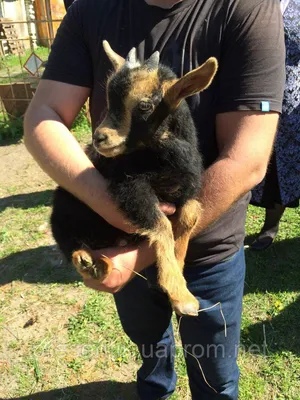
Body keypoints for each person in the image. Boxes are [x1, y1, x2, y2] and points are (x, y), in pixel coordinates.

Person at [24, 1, 285, 399]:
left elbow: (247, 160)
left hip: (208, 248)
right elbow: (43, 114)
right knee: (150, 351)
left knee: (214, 372)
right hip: (122, 227)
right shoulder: (89, 10)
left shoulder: (246, 8)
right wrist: (121, 217)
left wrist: (147, 253)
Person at [250, 0, 300, 251]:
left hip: (294, 103)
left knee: (291, 166)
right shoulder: (252, 4)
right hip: (258, 96)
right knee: (267, 164)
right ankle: (269, 226)